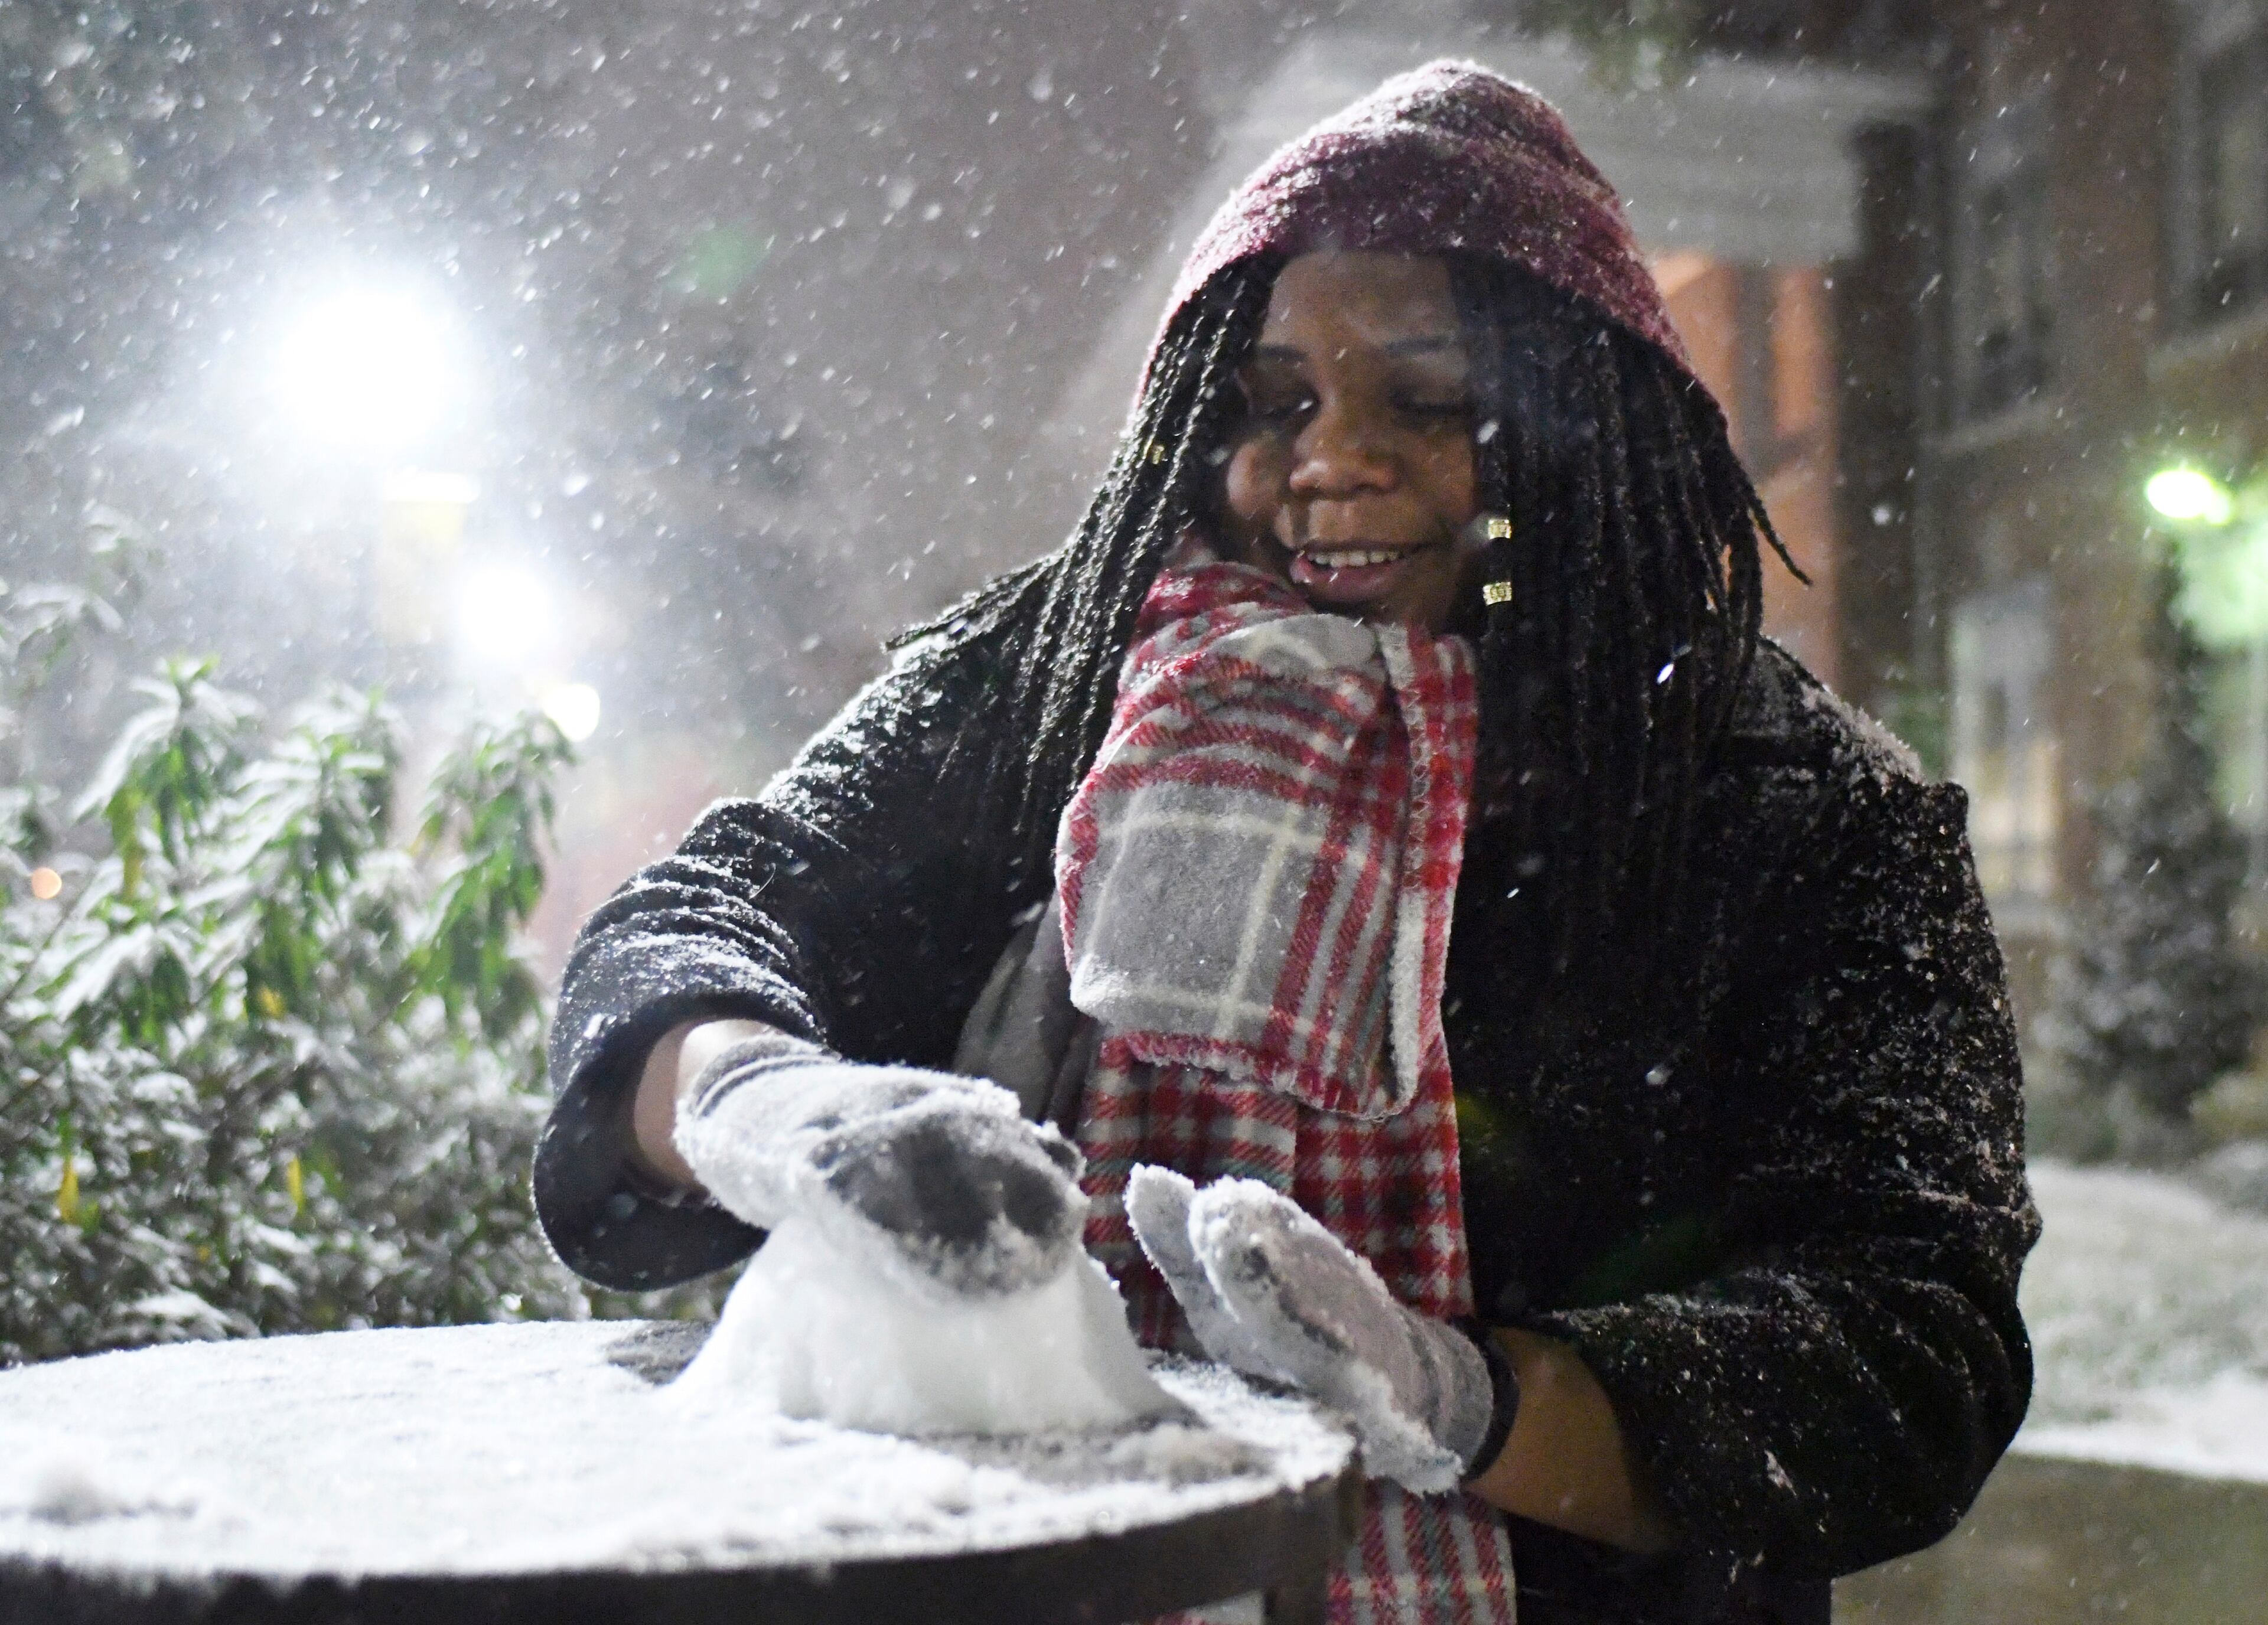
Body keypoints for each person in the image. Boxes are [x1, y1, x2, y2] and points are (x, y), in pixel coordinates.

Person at [533, 61, 2039, 1625]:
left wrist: (1465, 1402)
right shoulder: (1062, 687)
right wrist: (760, 1096)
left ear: (1582, 421)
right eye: (1272, 404)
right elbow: (715, 907)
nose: (1330, 459)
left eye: (1427, 396)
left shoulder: (1801, 808)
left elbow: (1912, 1342)